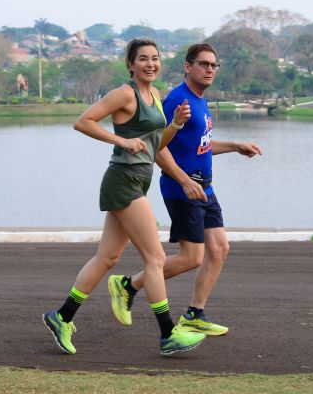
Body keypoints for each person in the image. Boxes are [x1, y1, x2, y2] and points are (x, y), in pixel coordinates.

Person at [42, 38, 206, 356]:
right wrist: (121, 140)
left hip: (137, 181)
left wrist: (175, 124)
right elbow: (83, 122)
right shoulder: (125, 94)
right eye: (143, 59)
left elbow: (156, 144)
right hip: (123, 181)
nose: (150, 64)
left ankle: (61, 317)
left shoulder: (155, 95)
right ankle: (168, 334)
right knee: (156, 259)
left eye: (155, 58)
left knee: (108, 258)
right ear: (131, 64)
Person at [108, 43, 262, 336]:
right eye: (203, 64)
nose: (209, 70)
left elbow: (200, 146)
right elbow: (157, 147)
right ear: (188, 66)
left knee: (219, 249)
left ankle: (194, 314)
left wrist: (235, 146)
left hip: (205, 187)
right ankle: (128, 284)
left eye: (214, 65)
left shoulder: (201, 101)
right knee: (192, 257)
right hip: (183, 189)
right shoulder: (178, 99)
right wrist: (184, 181)